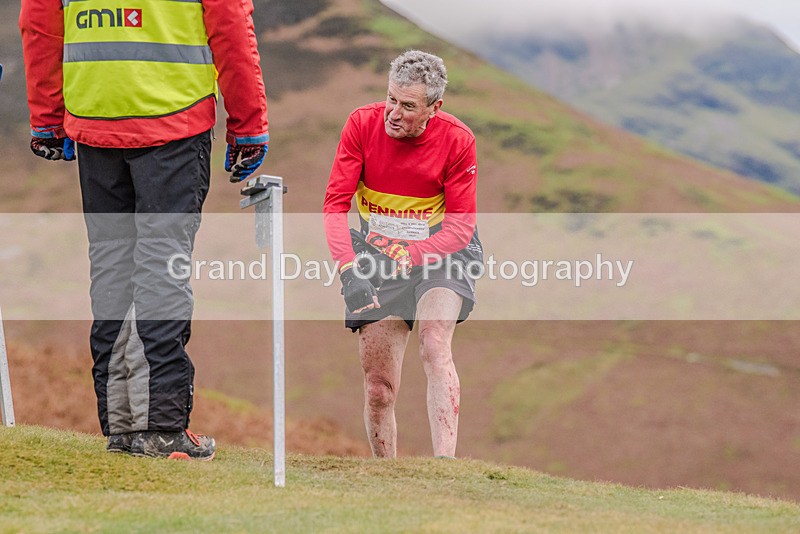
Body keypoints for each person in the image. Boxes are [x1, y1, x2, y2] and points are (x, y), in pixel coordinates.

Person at [20, 0, 269, 460]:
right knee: (162, 271)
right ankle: (161, 429)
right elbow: (230, 26)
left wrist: (47, 116)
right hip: (173, 120)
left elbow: (39, 24)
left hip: (94, 119)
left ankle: (123, 426)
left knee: (113, 271)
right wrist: (248, 124)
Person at [323, 50, 482, 458]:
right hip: (378, 254)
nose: (393, 113)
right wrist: (348, 271)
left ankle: (445, 468)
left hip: (444, 251)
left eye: (408, 106)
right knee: (379, 387)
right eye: (391, 99)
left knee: (433, 341)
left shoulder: (458, 140)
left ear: (434, 107)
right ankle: (387, 479)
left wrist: (411, 255)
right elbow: (335, 206)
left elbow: (461, 227)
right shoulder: (361, 124)